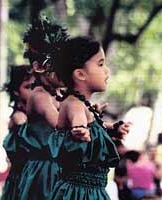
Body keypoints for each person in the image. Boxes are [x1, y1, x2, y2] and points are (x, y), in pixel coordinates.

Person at [40, 36, 131, 199]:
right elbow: (78, 123)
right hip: (79, 194)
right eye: (101, 64)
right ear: (80, 74)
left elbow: (91, 130)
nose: (107, 70)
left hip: (89, 192)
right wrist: (80, 130)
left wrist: (112, 129)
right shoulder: (74, 104)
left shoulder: (84, 105)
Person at [17, 16, 91, 200]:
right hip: (43, 173)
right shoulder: (40, 96)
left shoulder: (59, 95)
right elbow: (60, 123)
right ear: (38, 67)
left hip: (57, 169)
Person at [1, 64, 35, 200]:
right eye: (27, 87)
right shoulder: (19, 118)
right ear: (16, 92)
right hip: (22, 182)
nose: (33, 91)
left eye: (35, 86)